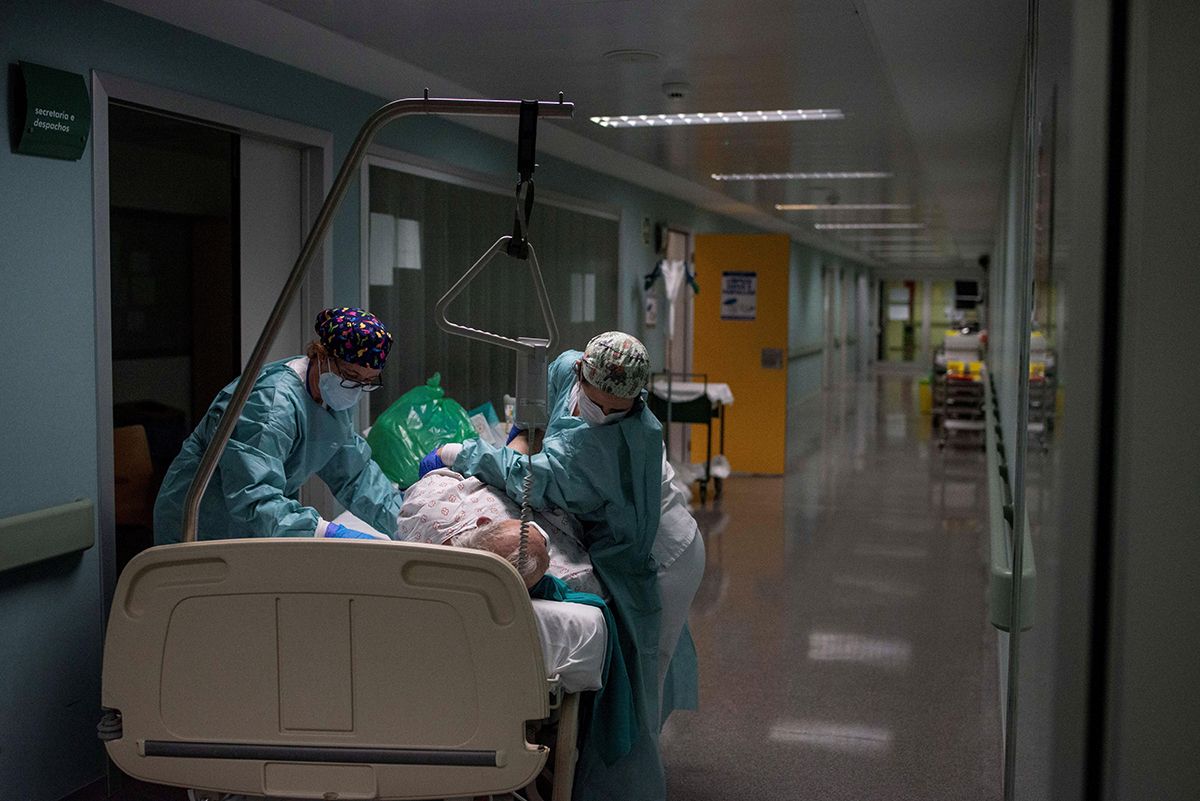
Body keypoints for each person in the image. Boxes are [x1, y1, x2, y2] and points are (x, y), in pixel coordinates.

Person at [421, 331, 703, 801]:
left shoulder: (612, 446)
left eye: (621, 408)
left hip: (660, 553)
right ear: (581, 374)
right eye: (600, 404)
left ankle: (625, 782)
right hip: (607, 524)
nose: (609, 415)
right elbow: (538, 421)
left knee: (641, 673)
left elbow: (532, 477)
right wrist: (520, 434)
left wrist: (459, 454)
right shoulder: (567, 368)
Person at [154, 307, 403, 544]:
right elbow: (254, 496)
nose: (356, 388)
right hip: (203, 528)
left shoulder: (330, 396)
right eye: (351, 376)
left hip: (255, 526)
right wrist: (325, 532)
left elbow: (355, 475)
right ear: (321, 355)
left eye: (368, 381)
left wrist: (408, 524)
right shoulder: (270, 404)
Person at [397, 466, 600, 594]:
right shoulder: (570, 574)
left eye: (519, 524)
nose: (543, 538)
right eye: (545, 552)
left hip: (504, 471)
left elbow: (438, 468)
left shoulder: (428, 507)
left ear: (484, 521)